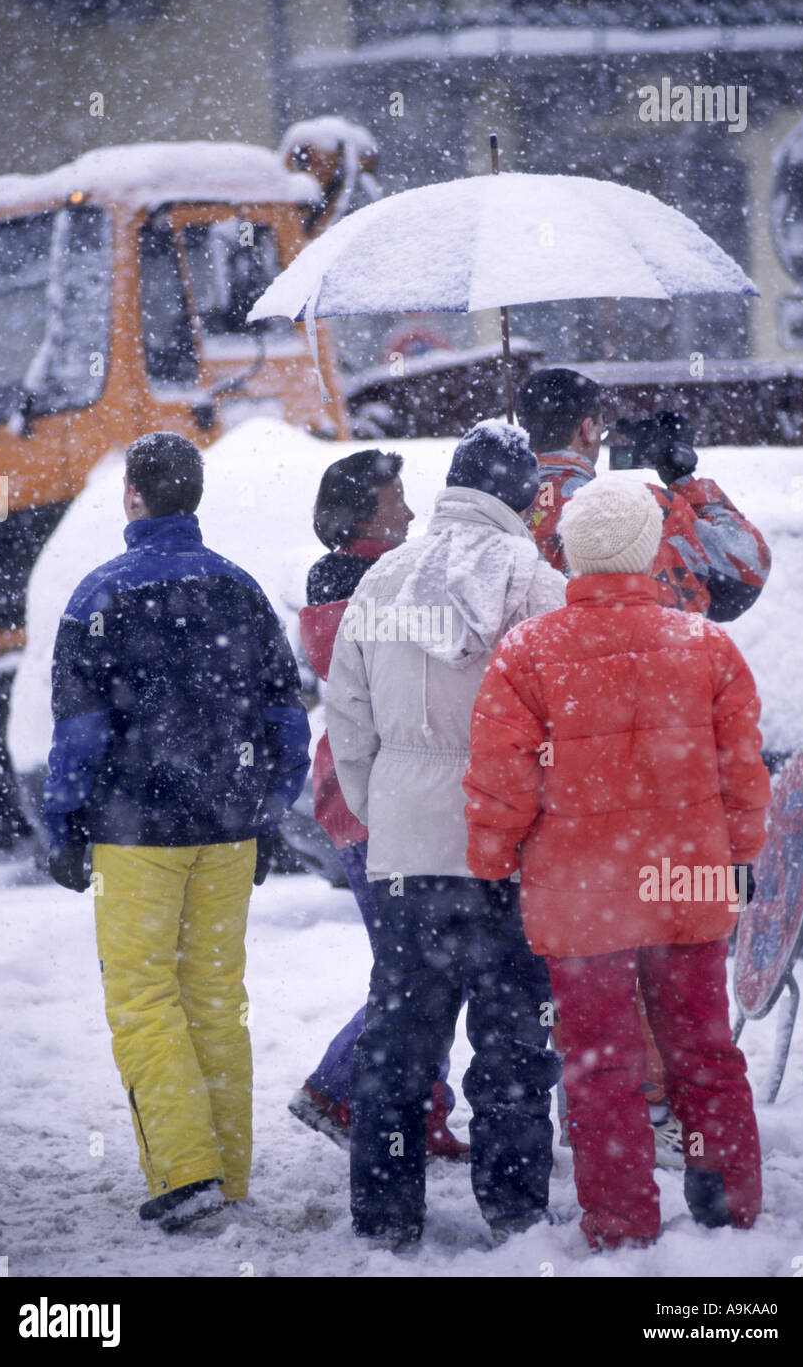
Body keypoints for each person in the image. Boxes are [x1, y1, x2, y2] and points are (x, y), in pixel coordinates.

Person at [463, 474, 772, 1250]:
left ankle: (620, 1221)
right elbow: (743, 772)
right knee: (703, 1048)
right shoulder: (705, 645)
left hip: (580, 894)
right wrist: (739, 854)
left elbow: (503, 779)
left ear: (569, 553)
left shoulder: (527, 652)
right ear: (647, 549)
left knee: (600, 1065)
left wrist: (493, 860)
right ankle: (726, 1202)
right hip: (687, 882)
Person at [43, 432, 310, 1232]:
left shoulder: (97, 597)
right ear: (193, 495)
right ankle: (227, 1171)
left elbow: (80, 730)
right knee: (216, 1000)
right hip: (229, 830)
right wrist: (268, 812)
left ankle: (184, 1172)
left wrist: (62, 822)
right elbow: (286, 719)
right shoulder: (242, 590)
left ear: (133, 497)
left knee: (145, 997)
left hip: (135, 834)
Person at [518, 366, 772, 1164]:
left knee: (587, 966)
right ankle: (667, 1119)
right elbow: (745, 572)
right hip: (670, 761)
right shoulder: (642, 509)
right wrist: (687, 478)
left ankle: (598, 1120)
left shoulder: (505, 513)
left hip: (565, 775)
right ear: (594, 426)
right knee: (672, 963)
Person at [325, 421, 565, 1248]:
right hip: (511, 848)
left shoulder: (382, 578)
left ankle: (387, 1212)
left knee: (399, 1038)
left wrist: (384, 805)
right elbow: (562, 723)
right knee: (512, 1038)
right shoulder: (534, 583)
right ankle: (513, 1204)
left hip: (406, 850)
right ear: (518, 496)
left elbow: (346, 717)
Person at [289, 448, 469, 1159]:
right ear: (365, 510)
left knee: (423, 966)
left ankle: (419, 1113)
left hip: (366, 799)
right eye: (398, 497)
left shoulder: (373, 576)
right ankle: (339, 1089)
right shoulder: (365, 583)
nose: (414, 509)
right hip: (378, 803)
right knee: (422, 971)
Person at [518, 367, 771, 621]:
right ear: (588, 431)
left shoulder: (500, 510)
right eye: (601, 431)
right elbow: (746, 571)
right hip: (653, 654)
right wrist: (682, 479)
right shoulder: (644, 508)